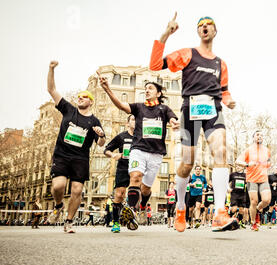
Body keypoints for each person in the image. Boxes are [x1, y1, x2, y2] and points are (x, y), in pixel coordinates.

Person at [150, 14, 238, 233]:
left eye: (209, 24)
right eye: (201, 25)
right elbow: (154, 64)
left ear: (215, 31)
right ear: (198, 32)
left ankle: (219, 212)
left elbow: (224, 90)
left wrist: (228, 101)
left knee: (221, 151)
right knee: (187, 162)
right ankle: (180, 207)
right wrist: (166, 34)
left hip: (213, 111)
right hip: (190, 109)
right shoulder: (188, 53)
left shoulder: (221, 63)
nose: (205, 27)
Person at [98, 74, 179, 230]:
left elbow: (172, 119)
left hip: (156, 154)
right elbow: (121, 106)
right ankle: (131, 211)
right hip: (138, 150)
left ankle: (142, 205)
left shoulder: (164, 109)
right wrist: (107, 89)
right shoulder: (138, 107)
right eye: (145, 88)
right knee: (135, 177)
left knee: (146, 188)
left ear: (159, 93)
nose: (147, 90)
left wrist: (174, 123)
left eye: (150, 88)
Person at [46, 61, 106, 233]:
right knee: (58, 186)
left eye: (84, 96)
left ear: (91, 102)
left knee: (77, 190)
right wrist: (51, 69)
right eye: (79, 96)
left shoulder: (94, 121)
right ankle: (58, 206)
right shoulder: (68, 109)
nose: (80, 98)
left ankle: (69, 221)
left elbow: (101, 144)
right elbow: (51, 90)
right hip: (62, 154)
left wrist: (101, 135)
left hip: (80, 158)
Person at [104, 114, 136, 233]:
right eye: (133, 119)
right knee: (119, 195)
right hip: (123, 168)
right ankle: (116, 222)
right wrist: (113, 155)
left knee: (136, 193)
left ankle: (132, 217)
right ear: (127, 123)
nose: (135, 121)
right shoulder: (121, 137)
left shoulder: (142, 137)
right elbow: (106, 150)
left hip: (137, 170)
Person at [236, 130, 271, 231]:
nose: (259, 136)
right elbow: (237, 161)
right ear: (253, 138)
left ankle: (257, 210)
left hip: (263, 179)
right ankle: (253, 222)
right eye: (257, 135)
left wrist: (268, 164)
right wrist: (247, 164)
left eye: (261, 135)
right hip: (252, 179)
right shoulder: (248, 150)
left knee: (266, 200)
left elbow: (268, 162)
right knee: (254, 201)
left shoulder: (266, 150)